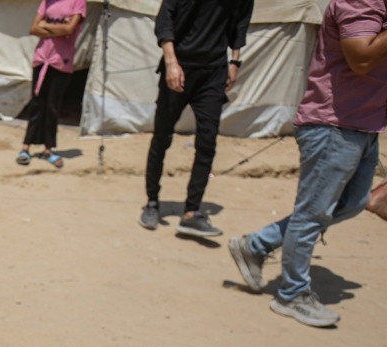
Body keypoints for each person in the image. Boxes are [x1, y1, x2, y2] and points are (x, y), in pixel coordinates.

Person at [227, 0, 387, 328]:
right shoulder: (360, 2)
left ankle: (255, 246)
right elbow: (361, 58)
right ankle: (292, 295)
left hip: (365, 124)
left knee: (353, 204)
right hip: (334, 124)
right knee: (312, 213)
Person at [138, 0, 252, 237]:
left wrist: (234, 62)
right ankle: (152, 202)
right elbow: (165, 20)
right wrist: (171, 63)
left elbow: (240, 24)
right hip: (180, 64)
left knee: (207, 141)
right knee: (162, 136)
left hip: (213, 72)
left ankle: (192, 211)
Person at [16, 0, 85, 169]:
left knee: (52, 107)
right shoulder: (47, 2)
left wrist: (45, 26)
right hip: (41, 59)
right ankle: (26, 146)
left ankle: (48, 149)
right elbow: (33, 29)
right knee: (37, 103)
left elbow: (70, 29)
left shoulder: (78, 2)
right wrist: (59, 28)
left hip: (61, 61)